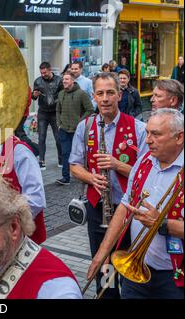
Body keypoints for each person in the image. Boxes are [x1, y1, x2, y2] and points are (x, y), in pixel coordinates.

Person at [88, 108, 184, 299]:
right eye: (147, 132)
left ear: (179, 137)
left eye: (156, 134)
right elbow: (125, 207)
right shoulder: (144, 162)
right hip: (136, 269)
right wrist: (102, 251)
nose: (148, 140)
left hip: (175, 278)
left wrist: (162, 224)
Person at [69, 72, 148, 298]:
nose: (105, 98)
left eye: (110, 93)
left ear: (119, 95)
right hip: (98, 208)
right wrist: (91, 178)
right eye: (100, 93)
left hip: (130, 211)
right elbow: (74, 165)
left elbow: (146, 175)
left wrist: (117, 165)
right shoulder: (85, 127)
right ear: (94, 96)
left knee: (129, 266)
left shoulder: (139, 129)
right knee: (104, 264)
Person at [56, 71, 94, 185]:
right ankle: (65, 177)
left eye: (67, 79)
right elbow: (58, 109)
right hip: (64, 129)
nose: (64, 81)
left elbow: (90, 109)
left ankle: (84, 175)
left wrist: (80, 123)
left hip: (77, 130)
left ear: (73, 81)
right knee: (65, 153)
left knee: (81, 154)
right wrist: (59, 122)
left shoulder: (81, 94)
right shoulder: (61, 93)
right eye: (63, 79)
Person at [31, 62, 63, 170]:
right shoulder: (38, 81)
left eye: (44, 72)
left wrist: (57, 101)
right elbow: (33, 97)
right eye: (41, 72)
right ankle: (42, 161)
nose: (43, 74)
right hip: (43, 112)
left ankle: (61, 160)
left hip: (55, 112)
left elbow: (63, 95)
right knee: (41, 137)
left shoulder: (59, 80)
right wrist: (34, 95)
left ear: (50, 70)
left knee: (58, 137)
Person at [14, 86, 39, 157]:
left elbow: (27, 102)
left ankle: (35, 149)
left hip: (21, 114)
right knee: (18, 134)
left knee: (20, 134)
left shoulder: (25, 86)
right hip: (16, 114)